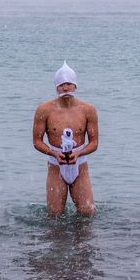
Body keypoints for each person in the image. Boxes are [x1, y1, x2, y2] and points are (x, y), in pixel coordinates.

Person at [33, 62, 99, 216]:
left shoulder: (88, 110)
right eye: (62, 84)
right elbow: (37, 141)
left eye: (69, 84)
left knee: (87, 213)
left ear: (75, 86)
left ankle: (83, 240)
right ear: (56, 87)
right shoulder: (44, 110)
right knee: (54, 215)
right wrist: (54, 153)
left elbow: (94, 142)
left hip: (80, 165)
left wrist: (79, 153)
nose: (65, 88)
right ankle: (57, 239)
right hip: (56, 165)